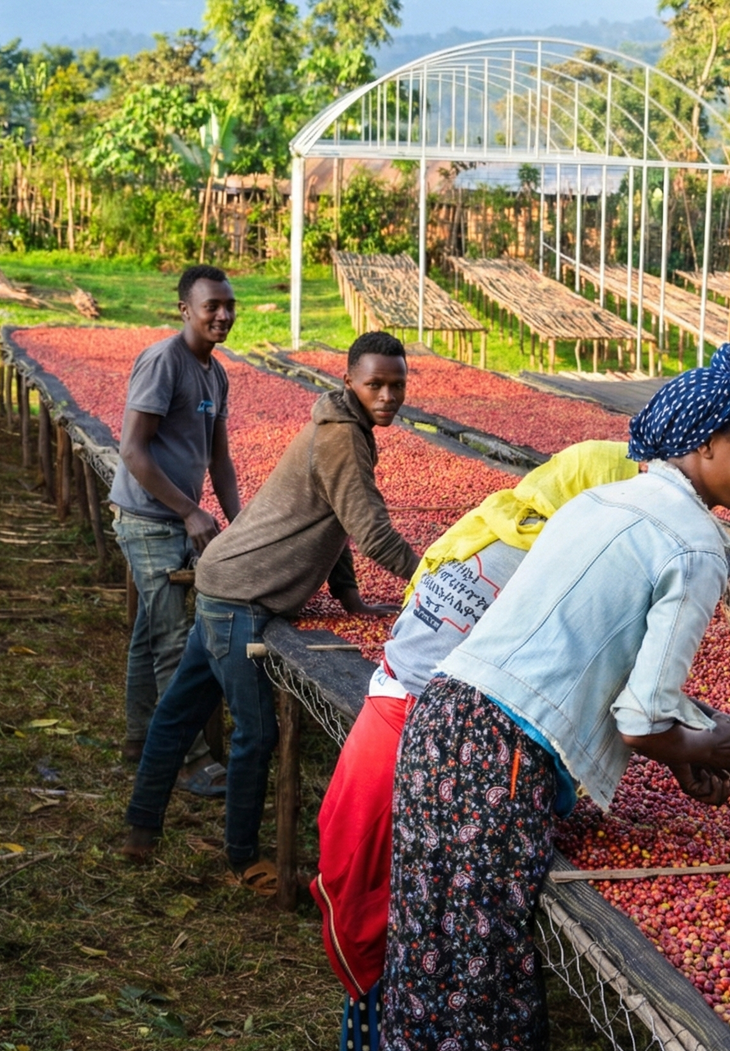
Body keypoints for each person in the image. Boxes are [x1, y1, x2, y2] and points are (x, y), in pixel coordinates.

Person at [381, 343, 730, 1051]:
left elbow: (589, 661)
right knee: (480, 985)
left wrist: (682, 752)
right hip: (500, 760)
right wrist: (698, 747)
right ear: (708, 442)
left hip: (440, 726)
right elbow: (644, 717)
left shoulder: (598, 499)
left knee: (424, 951)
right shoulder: (696, 544)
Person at [311, 440, 639, 1047]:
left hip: (389, 710)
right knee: (421, 916)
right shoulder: (552, 562)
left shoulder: (493, 521)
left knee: (394, 903)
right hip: (433, 745)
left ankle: (378, 1028)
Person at [120, 332, 422, 881]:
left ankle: (140, 829)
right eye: (375, 384)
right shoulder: (341, 438)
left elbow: (335, 522)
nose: (387, 396)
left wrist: (349, 595)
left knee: (178, 713)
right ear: (348, 380)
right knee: (256, 734)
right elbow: (370, 529)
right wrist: (437, 576)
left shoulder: (345, 429)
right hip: (242, 597)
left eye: (397, 385)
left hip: (226, 581)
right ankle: (242, 859)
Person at [110, 264, 241, 794]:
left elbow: (220, 459)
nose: (223, 315)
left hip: (171, 518)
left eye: (229, 306)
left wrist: (241, 526)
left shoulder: (215, 371)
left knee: (149, 635)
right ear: (184, 309)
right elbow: (133, 451)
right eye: (211, 306)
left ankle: (140, 740)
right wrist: (190, 511)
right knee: (171, 641)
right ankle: (185, 760)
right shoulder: (165, 362)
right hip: (147, 519)